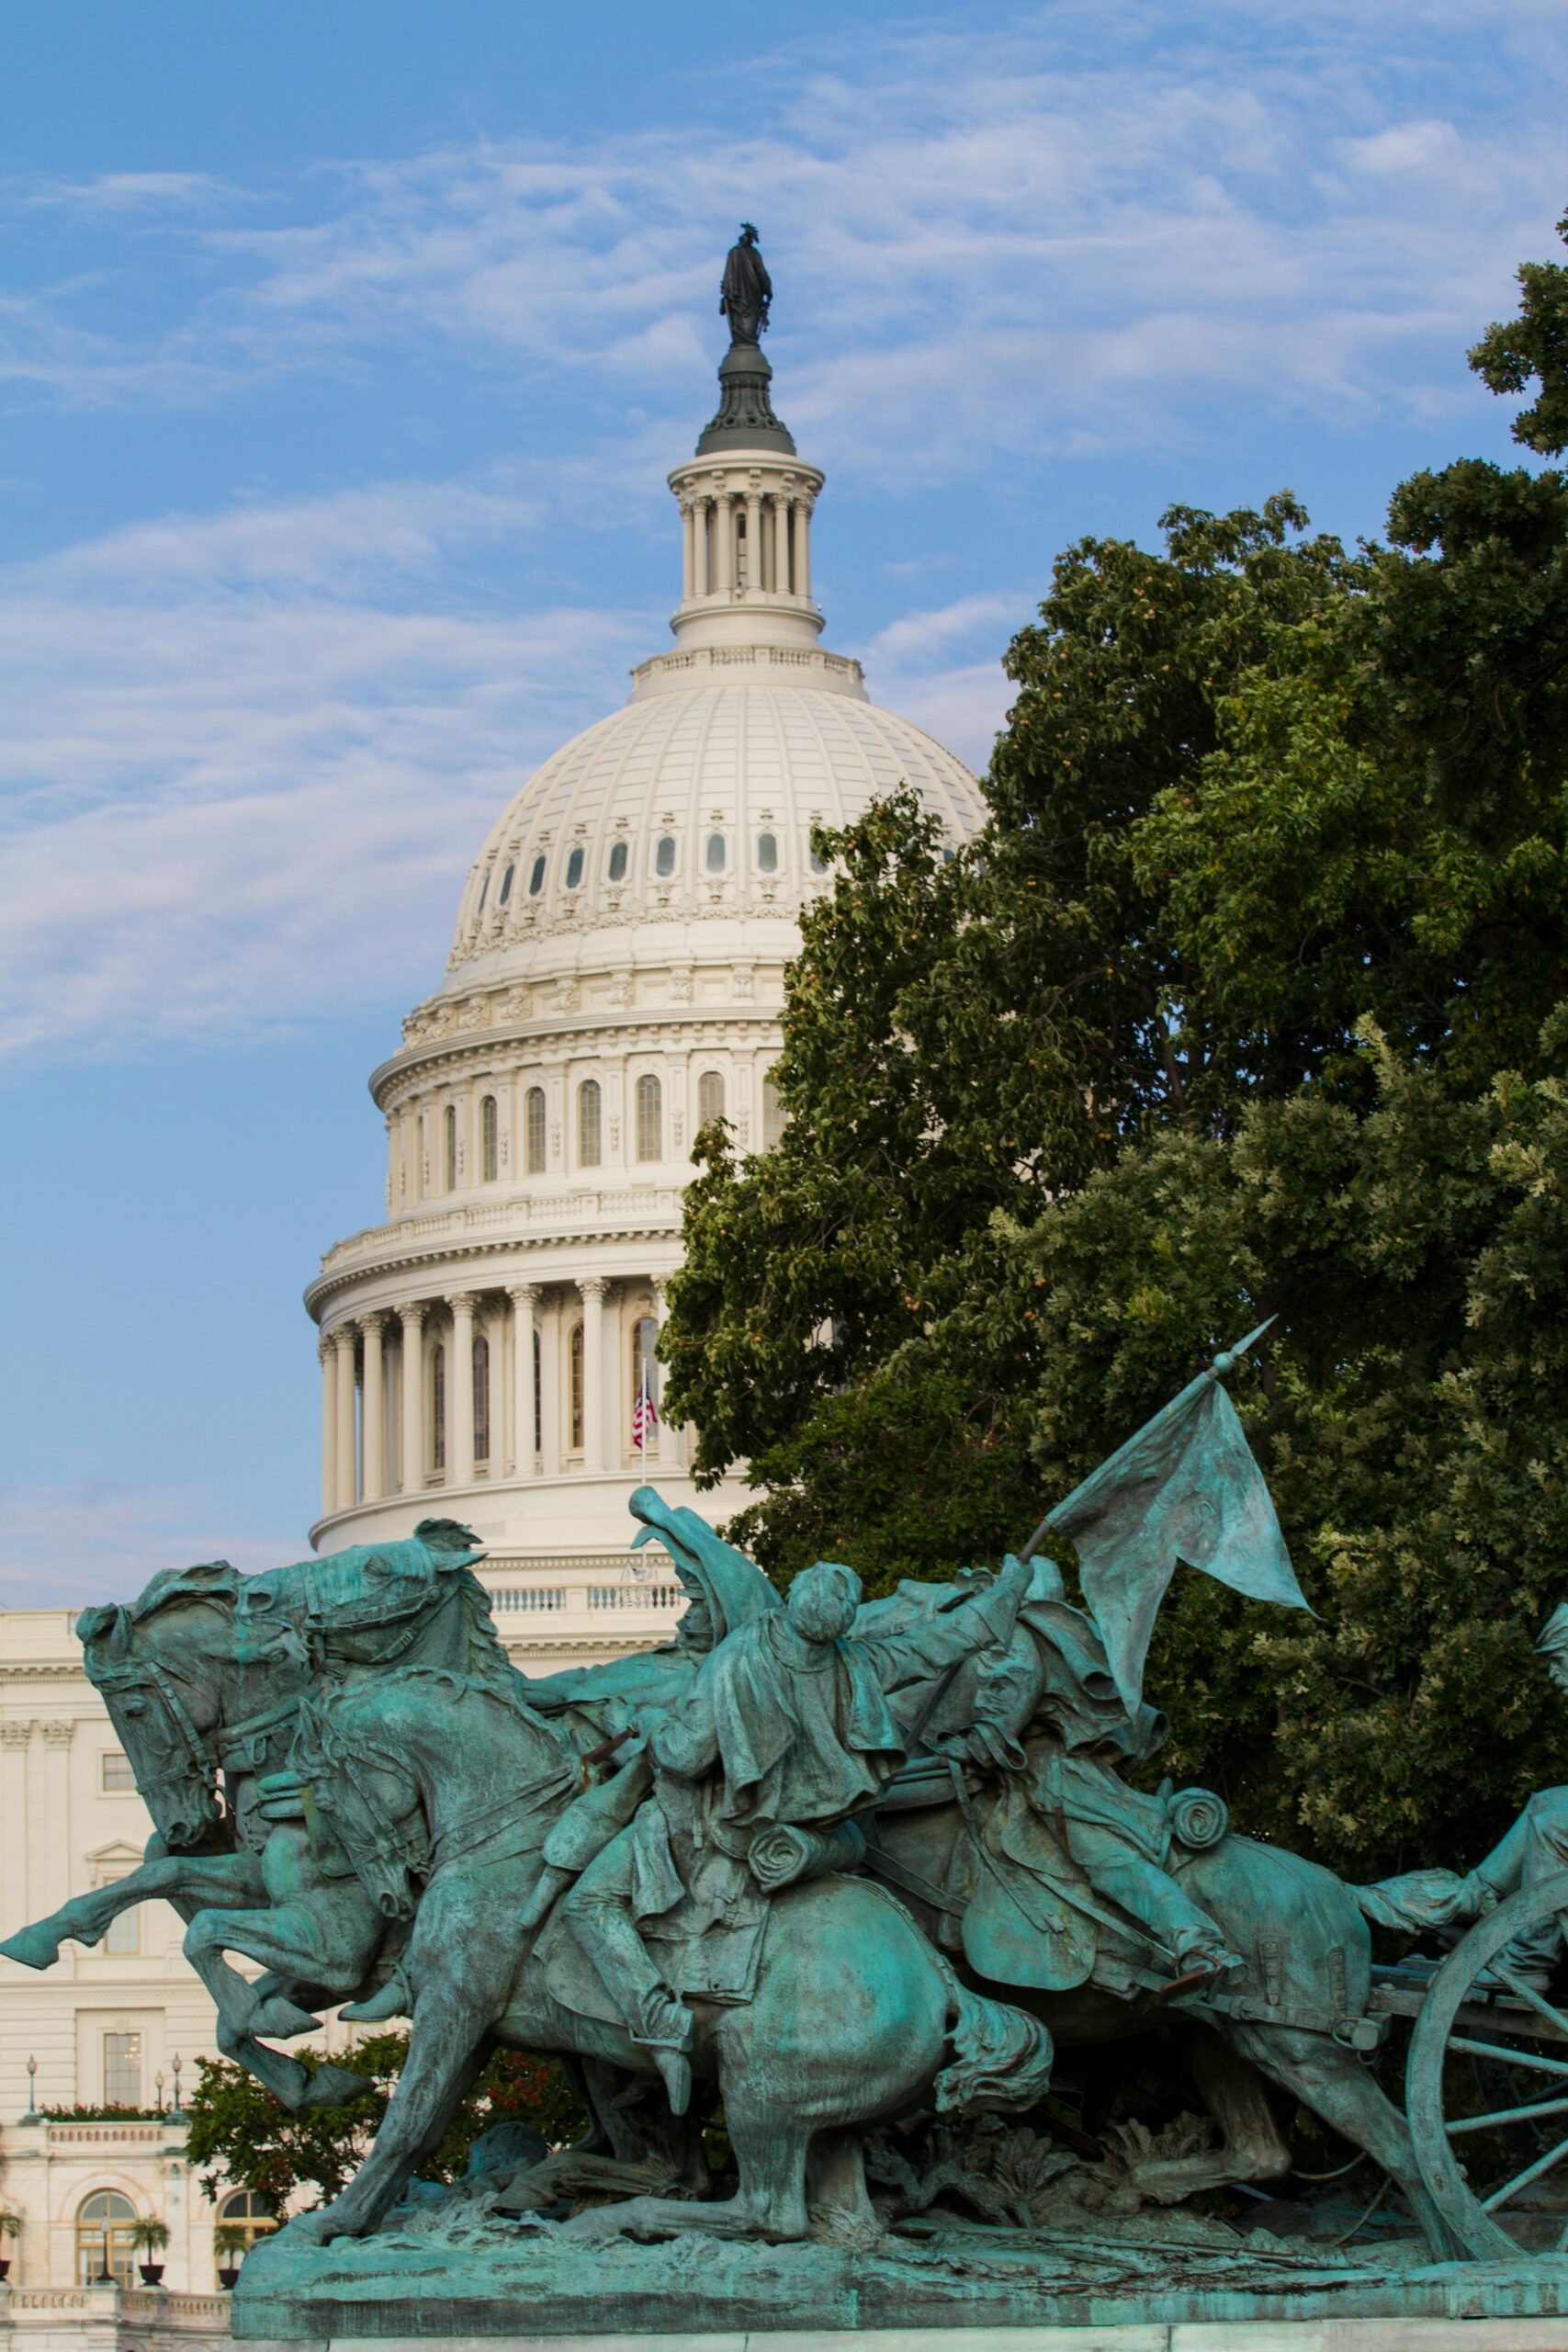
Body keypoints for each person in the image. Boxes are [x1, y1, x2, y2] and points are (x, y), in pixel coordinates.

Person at [527, 1549, 1032, 2112]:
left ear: (792, 1598)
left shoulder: (740, 1655)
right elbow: (938, 1643)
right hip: (825, 1838)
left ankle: (657, 2019)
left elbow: (687, 1756)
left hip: (716, 1832)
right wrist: (1008, 1592)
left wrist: (647, 1725)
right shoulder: (856, 1663)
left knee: (590, 1901)